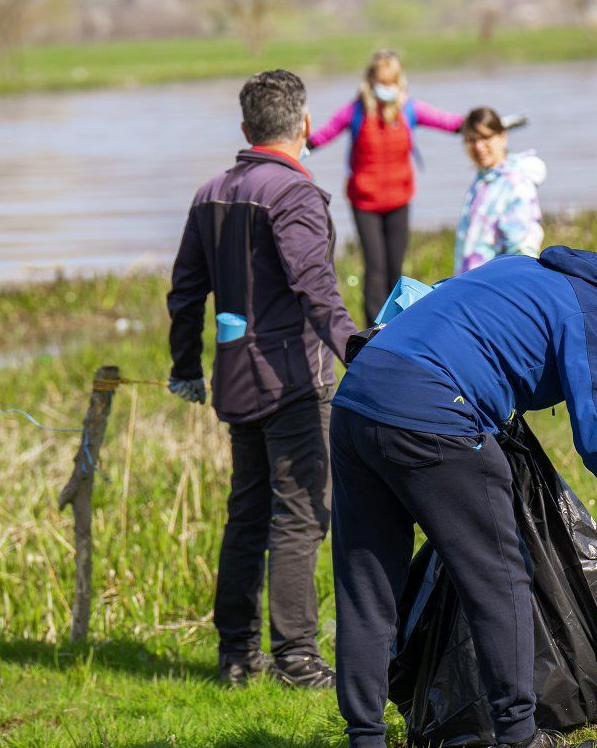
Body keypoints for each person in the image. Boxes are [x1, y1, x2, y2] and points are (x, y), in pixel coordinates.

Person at [328, 246, 597, 748]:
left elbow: (437, 306)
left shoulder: (523, 268)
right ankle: (518, 739)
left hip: (357, 397)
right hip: (433, 413)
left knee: (367, 583)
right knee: (499, 575)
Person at [166, 69, 358, 688]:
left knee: (246, 514)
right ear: (304, 126)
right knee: (299, 515)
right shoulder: (294, 194)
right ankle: (297, 660)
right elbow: (315, 286)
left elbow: (184, 294)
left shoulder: (209, 193)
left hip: (237, 381)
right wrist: (359, 348)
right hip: (297, 381)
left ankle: (236, 656)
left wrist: (184, 367)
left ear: (246, 129)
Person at [308, 49, 463, 325]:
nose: (387, 88)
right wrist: (293, 149)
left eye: (392, 82)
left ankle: (397, 326)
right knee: (376, 269)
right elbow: (323, 134)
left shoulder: (409, 110)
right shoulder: (355, 111)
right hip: (364, 202)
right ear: (370, 80)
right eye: (382, 81)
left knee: (395, 269)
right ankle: (373, 331)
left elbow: (448, 122)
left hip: (399, 200)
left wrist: (481, 125)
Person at [454, 107, 546, 275]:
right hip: (471, 286)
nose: (479, 146)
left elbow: (523, 253)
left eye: (485, 137)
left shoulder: (516, 184)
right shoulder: (483, 180)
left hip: (495, 289)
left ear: (503, 137)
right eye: (471, 140)